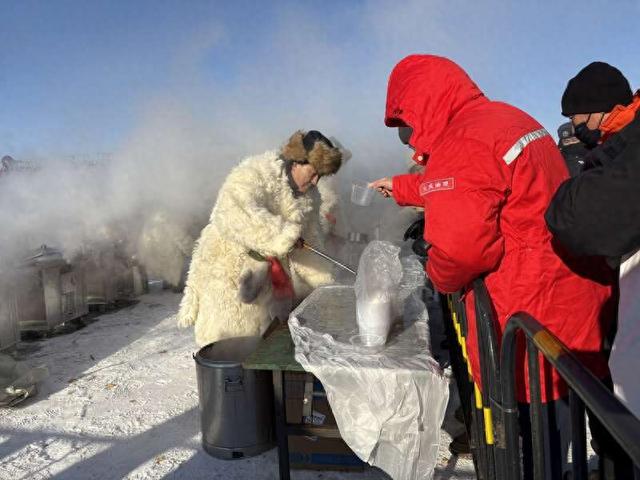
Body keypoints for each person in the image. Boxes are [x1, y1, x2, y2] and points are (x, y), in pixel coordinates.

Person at [370, 55, 617, 479]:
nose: (410, 144)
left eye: (406, 127)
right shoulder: (500, 119)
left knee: (541, 446)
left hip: (533, 312)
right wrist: (403, 187)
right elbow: (476, 184)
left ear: (421, 108)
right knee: (572, 418)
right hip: (570, 298)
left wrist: (437, 270)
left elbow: (462, 253)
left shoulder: (462, 143)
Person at [545, 62, 640, 478]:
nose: (576, 126)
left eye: (579, 116)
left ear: (605, 108)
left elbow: (583, 218)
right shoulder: (617, 143)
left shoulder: (626, 148)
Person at [178, 130, 343, 345]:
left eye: (320, 176)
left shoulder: (310, 197)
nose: (315, 181)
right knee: (226, 342)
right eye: (313, 173)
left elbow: (310, 246)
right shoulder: (255, 172)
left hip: (267, 280)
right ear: (296, 162)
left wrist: (325, 289)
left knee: (260, 345)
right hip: (228, 269)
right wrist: (284, 235)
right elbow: (233, 211)